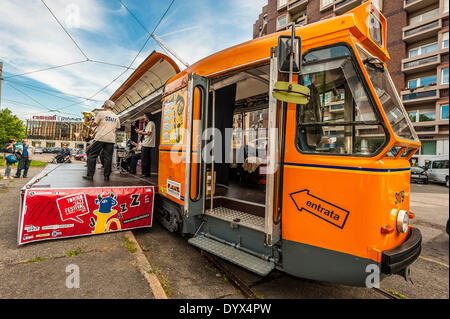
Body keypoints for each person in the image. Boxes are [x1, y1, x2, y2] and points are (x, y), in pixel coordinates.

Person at [83, 100, 120, 181]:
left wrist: (90, 122)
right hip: (110, 139)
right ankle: (106, 176)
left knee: (92, 155)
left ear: (104, 106)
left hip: (100, 138)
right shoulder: (116, 116)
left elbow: (94, 124)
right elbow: (116, 128)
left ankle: (90, 175)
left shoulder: (101, 113)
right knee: (108, 158)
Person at [135, 113, 155, 178]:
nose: (144, 118)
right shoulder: (149, 124)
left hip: (147, 144)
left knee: (144, 160)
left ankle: (145, 173)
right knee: (146, 159)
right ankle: (146, 173)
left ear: (148, 117)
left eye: (144, 117)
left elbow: (148, 133)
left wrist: (139, 132)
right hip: (147, 143)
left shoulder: (150, 123)